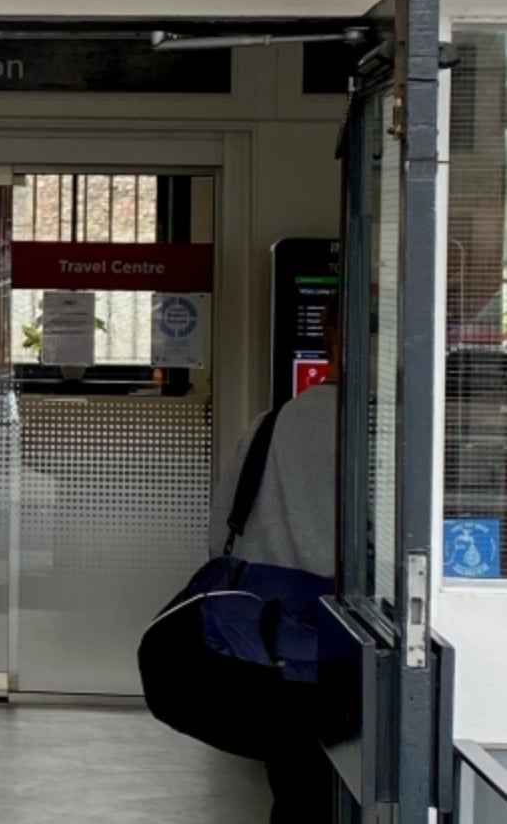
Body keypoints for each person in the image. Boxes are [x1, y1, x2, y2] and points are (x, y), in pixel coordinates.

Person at [208, 300, 340, 824]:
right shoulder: (394, 430)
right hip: (366, 651)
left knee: (297, 791)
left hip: (276, 649)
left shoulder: (269, 425)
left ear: (327, 331)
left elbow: (221, 536)